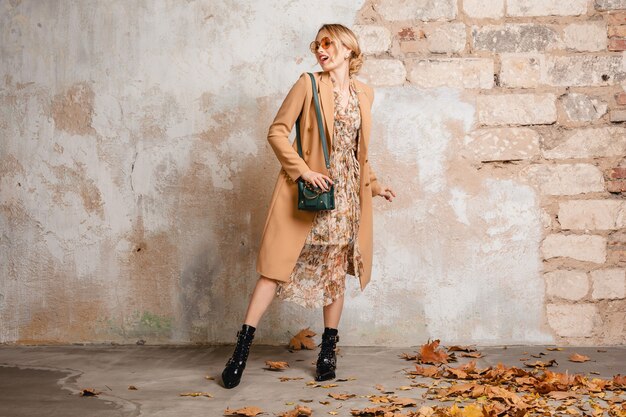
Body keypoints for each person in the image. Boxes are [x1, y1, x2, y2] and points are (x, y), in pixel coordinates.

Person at [221, 23, 396, 389]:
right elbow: (276, 131)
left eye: (328, 43)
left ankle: (328, 351)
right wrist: (303, 171)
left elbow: (356, 152)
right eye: (318, 44)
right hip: (309, 195)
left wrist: (376, 185)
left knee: (334, 271)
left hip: (346, 198)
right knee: (274, 269)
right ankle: (241, 351)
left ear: (348, 49)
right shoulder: (308, 84)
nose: (321, 49)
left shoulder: (365, 93)